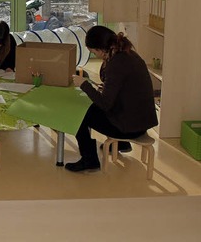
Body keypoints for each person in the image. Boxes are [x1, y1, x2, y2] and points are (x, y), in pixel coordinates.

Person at [66, 25, 158, 172]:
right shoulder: (127, 54)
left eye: (94, 52)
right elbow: (124, 90)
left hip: (129, 128)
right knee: (89, 106)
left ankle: (89, 159)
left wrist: (84, 84)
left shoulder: (116, 63)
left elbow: (105, 104)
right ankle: (122, 144)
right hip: (142, 122)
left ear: (101, 49)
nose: (95, 55)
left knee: (79, 112)